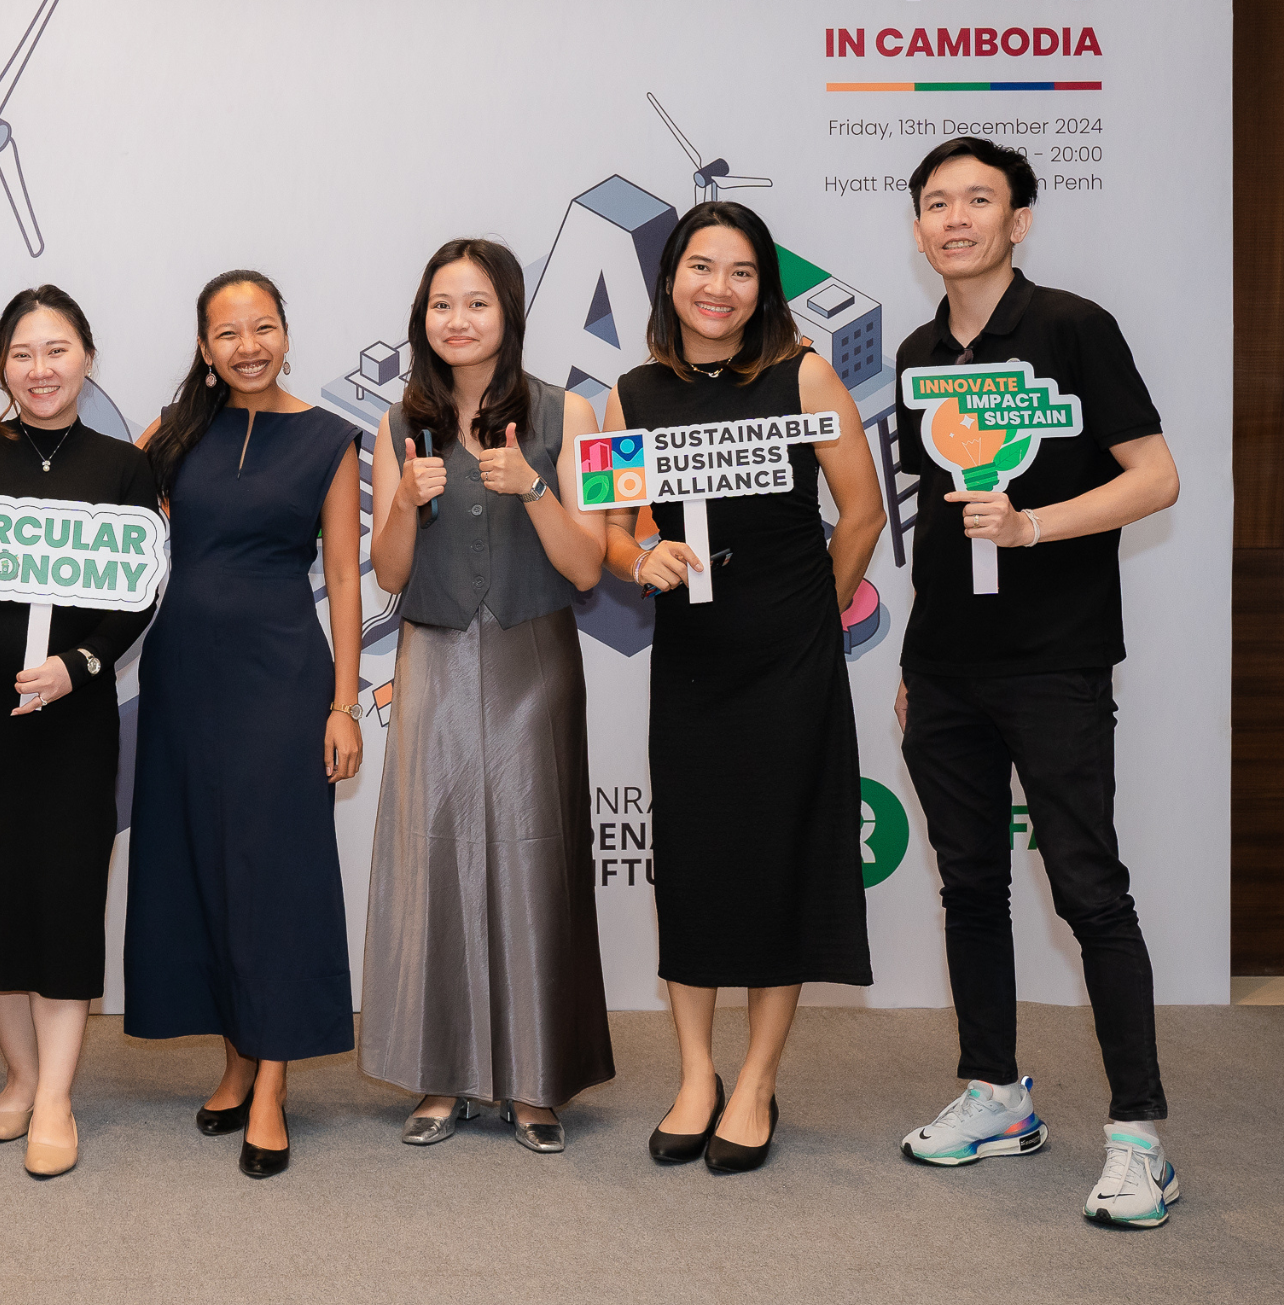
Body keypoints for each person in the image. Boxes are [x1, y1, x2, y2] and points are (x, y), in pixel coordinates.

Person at [887, 138, 1184, 1228]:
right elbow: (937, 522)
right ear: (917, 227)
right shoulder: (919, 352)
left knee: (1088, 887)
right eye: (936, 202)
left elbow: (1156, 476)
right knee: (970, 885)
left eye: (979, 199)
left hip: (1055, 660)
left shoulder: (1071, 327)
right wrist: (916, 659)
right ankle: (996, 1093)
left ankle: (1139, 1136)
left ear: (1019, 219)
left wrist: (1034, 526)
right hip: (946, 669)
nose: (955, 218)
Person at [600, 202, 881, 1175]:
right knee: (693, 863)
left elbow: (861, 512)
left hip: (789, 661)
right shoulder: (631, 393)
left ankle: (755, 1080)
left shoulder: (802, 374)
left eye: (741, 271)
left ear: (763, 289)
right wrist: (639, 557)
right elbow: (614, 530)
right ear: (670, 277)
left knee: (779, 861)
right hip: (692, 660)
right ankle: (695, 1074)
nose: (718, 288)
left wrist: (812, 614)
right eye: (700, 266)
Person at [359, 238, 614, 1152]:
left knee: (535, 853)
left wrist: (535, 487)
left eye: (476, 303)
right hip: (431, 656)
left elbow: (588, 565)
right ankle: (442, 1073)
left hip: (532, 659)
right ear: (421, 317)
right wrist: (404, 500)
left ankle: (536, 1082)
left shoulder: (571, 411)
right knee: (432, 855)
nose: (458, 320)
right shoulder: (398, 422)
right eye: (442, 304)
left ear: (509, 311)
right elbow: (391, 572)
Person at [0, 286, 162, 1179]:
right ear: (1, 365)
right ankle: (18, 1074)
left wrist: (77, 666)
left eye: (57, 350)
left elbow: (137, 597)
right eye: (22, 352)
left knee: (62, 896)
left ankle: (56, 1095)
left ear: (86, 357)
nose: (40, 369)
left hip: (71, 722)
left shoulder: (125, 468)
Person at [123, 269, 365, 1179]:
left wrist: (344, 703)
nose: (247, 346)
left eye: (262, 328)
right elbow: (95, 508)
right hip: (183, 677)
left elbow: (343, 579)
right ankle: (234, 1057)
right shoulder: (175, 431)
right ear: (204, 346)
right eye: (228, 333)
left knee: (275, 876)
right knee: (201, 868)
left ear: (285, 335)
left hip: (282, 679)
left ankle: (271, 1083)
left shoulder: (329, 438)